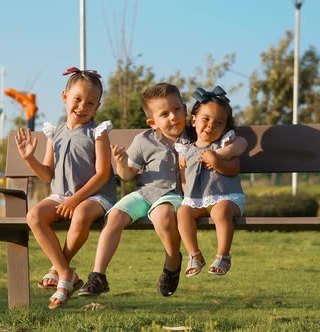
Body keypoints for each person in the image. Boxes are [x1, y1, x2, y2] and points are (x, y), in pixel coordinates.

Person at [15, 67, 116, 309]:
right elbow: (48, 173)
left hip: (94, 196)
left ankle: (60, 275)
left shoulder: (98, 133)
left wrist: (76, 200)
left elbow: (102, 174)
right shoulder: (55, 132)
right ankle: (65, 272)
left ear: (97, 106)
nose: (82, 107)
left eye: (90, 103)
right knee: (34, 216)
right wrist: (30, 158)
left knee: (80, 213)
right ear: (64, 97)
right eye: (77, 99)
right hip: (61, 194)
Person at [78, 82, 188, 298]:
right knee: (115, 216)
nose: (173, 117)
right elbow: (127, 175)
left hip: (173, 195)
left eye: (176, 110)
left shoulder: (195, 138)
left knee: (163, 215)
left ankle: (172, 261)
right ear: (152, 122)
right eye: (164, 114)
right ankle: (98, 275)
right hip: (145, 193)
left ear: (185, 109)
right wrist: (121, 161)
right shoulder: (144, 140)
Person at [176, 86, 247, 278]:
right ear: (194, 121)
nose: (210, 126)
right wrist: (187, 195)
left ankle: (223, 256)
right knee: (182, 211)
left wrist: (216, 160)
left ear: (225, 128)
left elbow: (233, 170)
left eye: (218, 123)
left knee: (220, 211)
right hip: (198, 199)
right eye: (205, 119)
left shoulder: (224, 145)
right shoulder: (186, 149)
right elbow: (185, 179)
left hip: (227, 197)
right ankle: (195, 255)